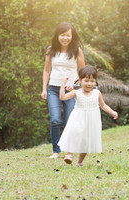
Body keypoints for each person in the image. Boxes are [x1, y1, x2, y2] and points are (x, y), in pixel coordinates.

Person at [58, 65, 118, 166]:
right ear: (80, 80)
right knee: (74, 132)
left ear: (95, 82)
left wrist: (112, 112)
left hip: (92, 120)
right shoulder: (76, 92)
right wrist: (63, 84)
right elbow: (62, 97)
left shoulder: (97, 93)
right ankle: (69, 154)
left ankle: (79, 162)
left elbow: (103, 105)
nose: (89, 84)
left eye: (92, 81)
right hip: (78, 117)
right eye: (86, 81)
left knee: (86, 141)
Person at [41, 22, 85, 158]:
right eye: (62, 35)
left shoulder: (77, 50)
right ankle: (56, 150)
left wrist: (75, 86)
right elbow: (46, 69)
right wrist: (44, 88)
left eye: (68, 35)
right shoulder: (50, 50)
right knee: (55, 120)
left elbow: (82, 72)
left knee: (69, 121)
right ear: (57, 35)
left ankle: (69, 151)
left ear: (72, 36)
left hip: (70, 90)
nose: (65, 38)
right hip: (53, 88)